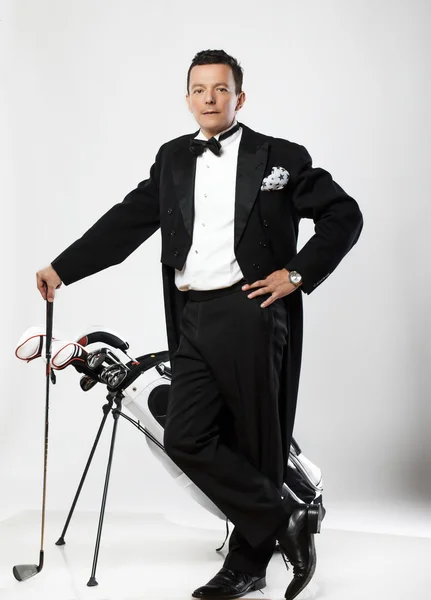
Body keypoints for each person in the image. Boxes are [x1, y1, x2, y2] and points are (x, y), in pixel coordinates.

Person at [36, 49, 363, 599]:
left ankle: (248, 564)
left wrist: (298, 272)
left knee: (258, 440)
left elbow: (343, 214)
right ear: (187, 97)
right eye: (198, 89)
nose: (209, 98)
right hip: (193, 313)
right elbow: (126, 221)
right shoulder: (171, 160)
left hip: (252, 309)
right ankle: (284, 517)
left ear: (240, 96)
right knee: (184, 435)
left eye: (220, 89)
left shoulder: (280, 156)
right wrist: (62, 269)